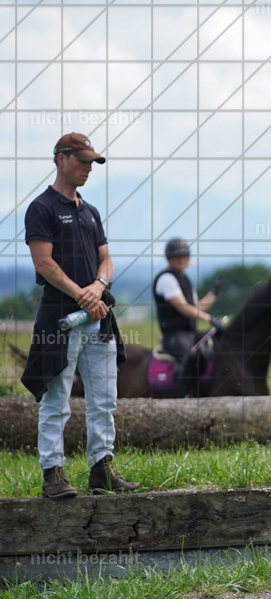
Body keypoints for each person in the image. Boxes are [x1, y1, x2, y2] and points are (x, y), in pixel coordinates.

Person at [21, 132, 138, 498]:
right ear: (60, 158)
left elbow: (106, 257)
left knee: (104, 398)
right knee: (56, 400)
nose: (88, 168)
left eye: (92, 163)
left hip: (98, 318)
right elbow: (43, 262)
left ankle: (102, 468)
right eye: (82, 161)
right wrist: (82, 296)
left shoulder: (90, 211)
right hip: (60, 319)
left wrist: (99, 287)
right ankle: (52, 474)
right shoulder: (41, 208)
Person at [152, 238, 224, 397]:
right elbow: (184, 308)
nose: (181, 259)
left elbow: (197, 308)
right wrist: (210, 319)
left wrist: (214, 292)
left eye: (184, 256)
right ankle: (186, 395)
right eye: (176, 257)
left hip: (190, 332)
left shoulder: (185, 279)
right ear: (169, 258)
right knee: (191, 356)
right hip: (174, 335)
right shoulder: (166, 279)